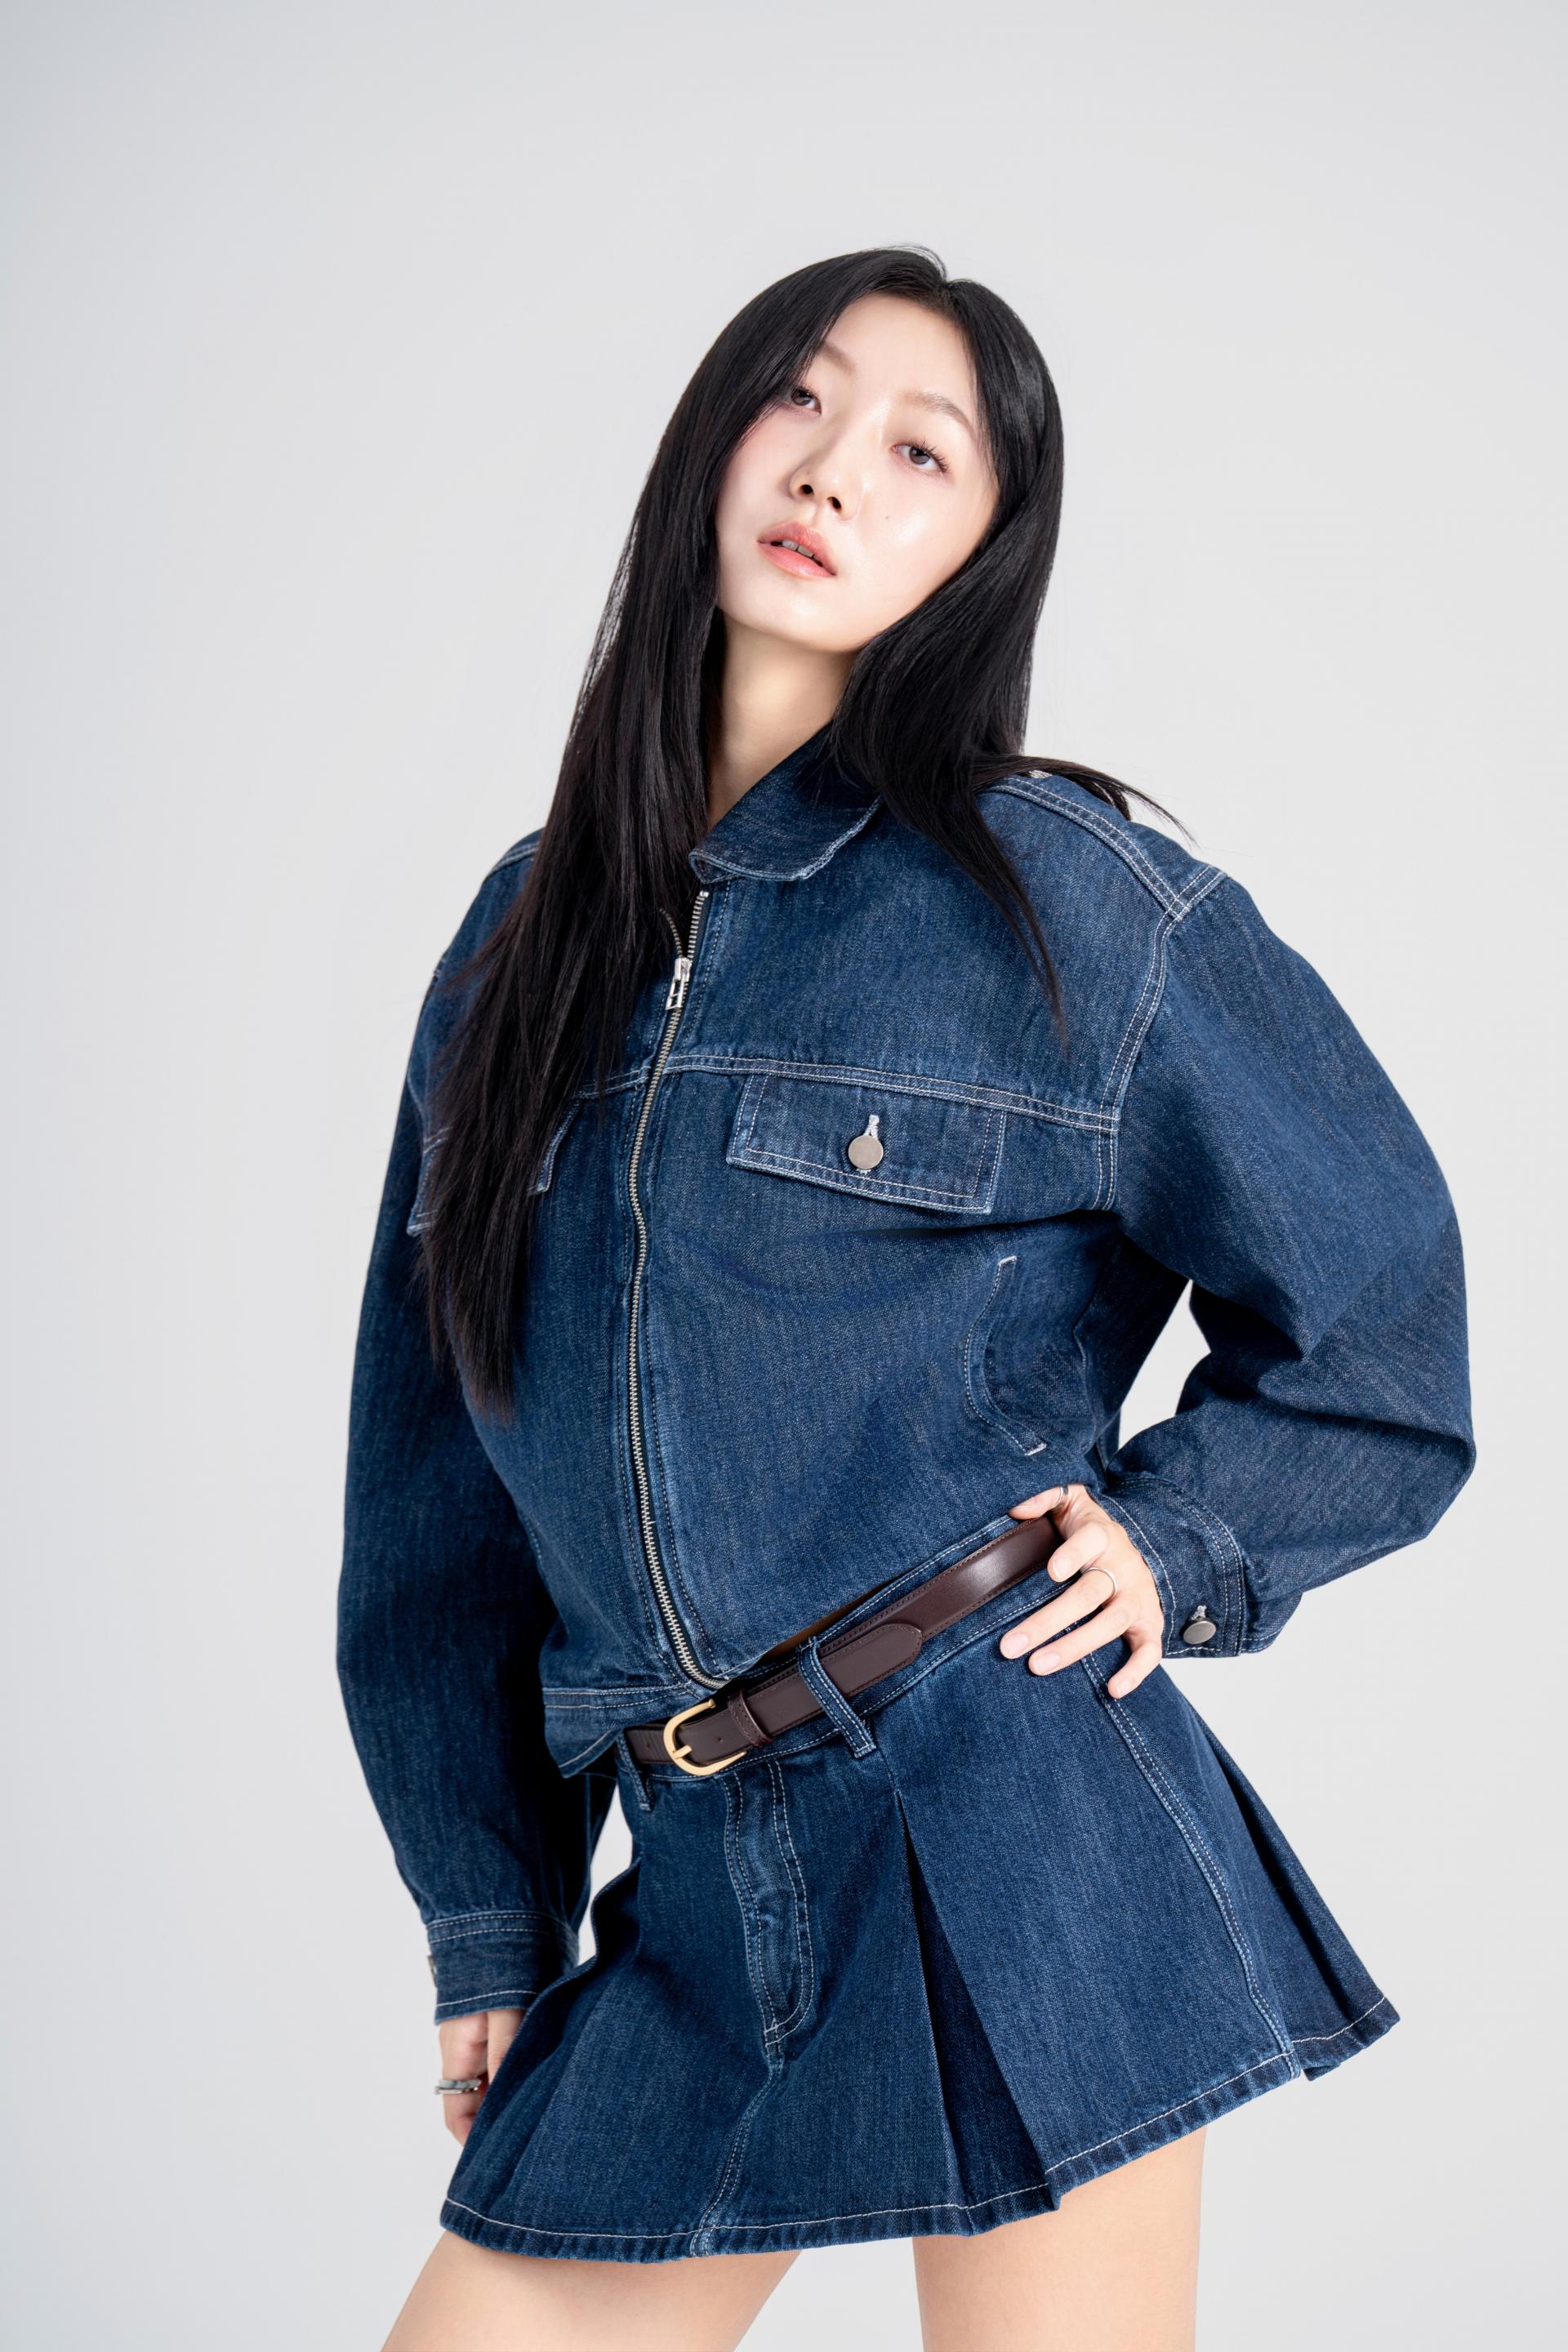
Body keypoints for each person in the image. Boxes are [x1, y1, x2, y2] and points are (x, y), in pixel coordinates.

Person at [336, 247, 1476, 2352]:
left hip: (1010, 1827)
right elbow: (433, 1496)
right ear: (712, 436)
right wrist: (486, 1907)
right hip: (695, 1876)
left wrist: (1184, 1539)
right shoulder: (512, 950)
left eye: (921, 452)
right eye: (799, 395)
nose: (835, 468)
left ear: (982, 548)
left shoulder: (1068, 901)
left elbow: (1384, 1325)